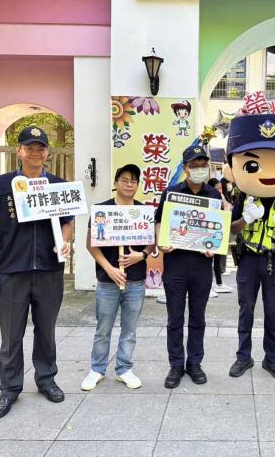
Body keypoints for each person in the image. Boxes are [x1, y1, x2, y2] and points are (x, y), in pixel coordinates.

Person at [0, 126, 73, 419]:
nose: (35, 152)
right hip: (11, 270)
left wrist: (65, 241)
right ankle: (9, 388)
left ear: (47, 152)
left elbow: (67, 221)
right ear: (18, 151)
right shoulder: (0, 186)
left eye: (40, 148)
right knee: (11, 335)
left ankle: (46, 380)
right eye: (29, 147)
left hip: (48, 269)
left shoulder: (58, 185)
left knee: (46, 330)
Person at [224, 113, 275, 381]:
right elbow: (231, 229)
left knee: (272, 312)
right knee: (246, 309)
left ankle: (272, 359)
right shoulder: (243, 196)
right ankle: (243, 357)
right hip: (248, 259)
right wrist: (245, 218)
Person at [81, 164, 153, 392]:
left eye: (134, 180)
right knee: (103, 328)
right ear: (115, 183)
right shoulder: (103, 210)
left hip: (136, 281)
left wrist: (139, 255)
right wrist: (109, 268)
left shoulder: (143, 211)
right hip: (107, 281)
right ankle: (97, 369)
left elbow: (151, 243)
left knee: (130, 329)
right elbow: (91, 244)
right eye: (124, 179)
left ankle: (124, 369)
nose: (129, 184)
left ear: (138, 185)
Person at [155, 146, 220, 389]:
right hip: (175, 264)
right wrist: (162, 242)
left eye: (203, 165)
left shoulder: (213, 195)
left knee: (198, 317)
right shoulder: (171, 192)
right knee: (174, 318)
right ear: (185, 168)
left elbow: (218, 230)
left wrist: (215, 245)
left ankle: (194, 363)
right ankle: (175, 364)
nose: (199, 169)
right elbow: (160, 220)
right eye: (194, 165)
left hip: (202, 264)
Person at [207, 177, 233, 297]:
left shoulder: (221, 196)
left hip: (220, 230)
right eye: (217, 188)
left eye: (220, 188)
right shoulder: (210, 198)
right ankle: (209, 286)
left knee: (217, 259)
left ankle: (219, 283)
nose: (220, 190)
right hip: (210, 231)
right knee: (209, 260)